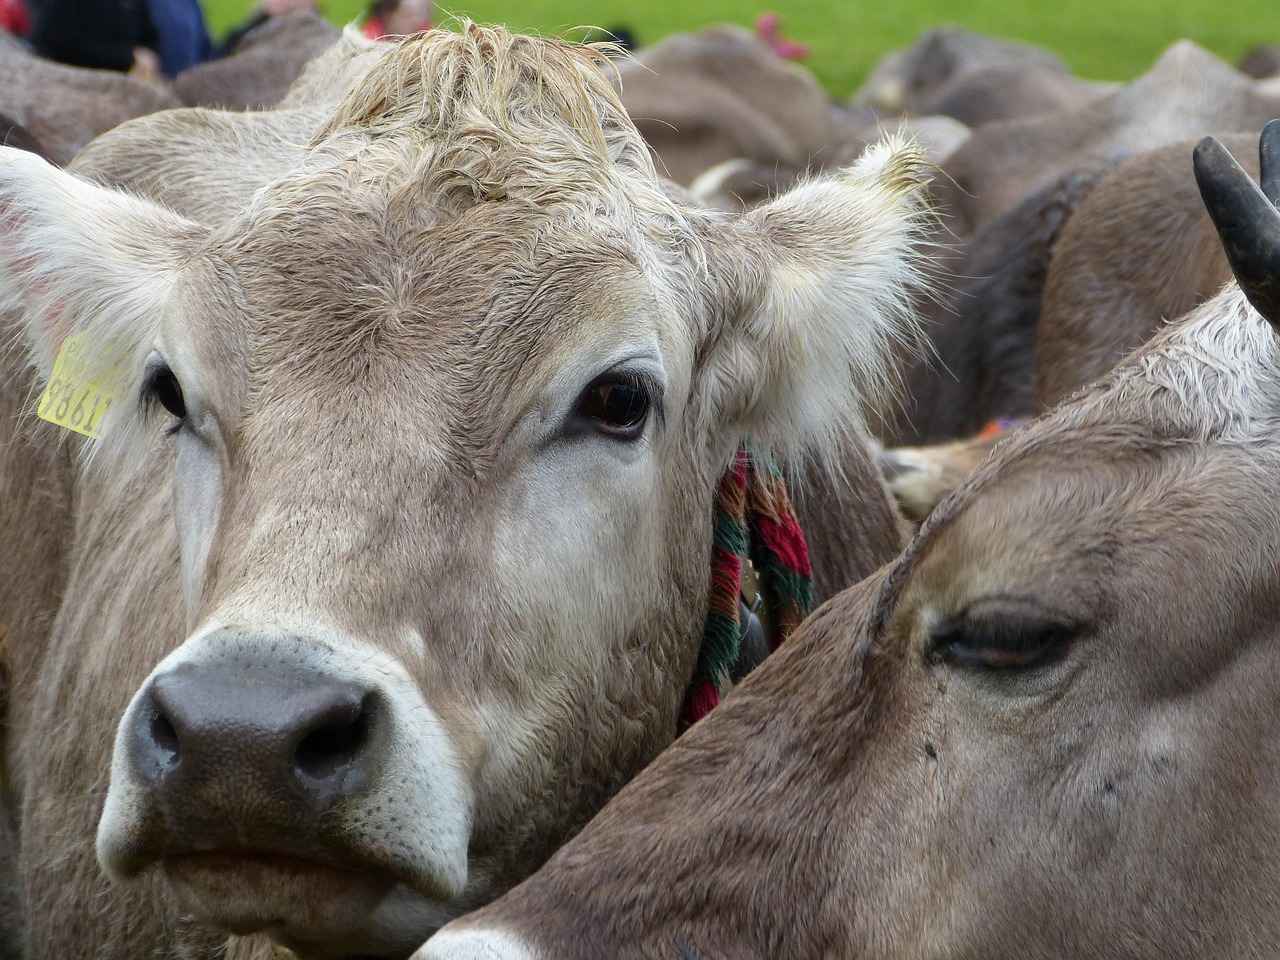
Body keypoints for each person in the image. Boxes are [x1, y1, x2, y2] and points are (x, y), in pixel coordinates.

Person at [28, 0, 210, 75]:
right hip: (73, 84)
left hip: (131, 84)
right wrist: (127, 58)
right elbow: (55, 38)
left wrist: (149, 56)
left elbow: (150, 34)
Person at [361, 0, 430, 40]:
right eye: (408, 15)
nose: (417, 21)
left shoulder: (425, 33)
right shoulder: (369, 38)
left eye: (421, 14)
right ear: (388, 15)